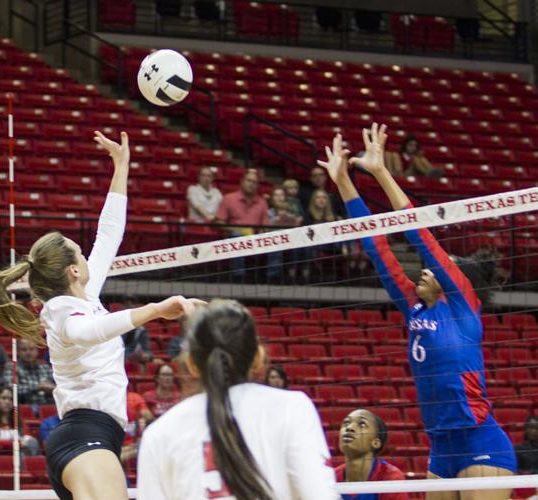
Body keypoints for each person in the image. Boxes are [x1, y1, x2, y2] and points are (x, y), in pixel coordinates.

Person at [0, 130, 203, 500]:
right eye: (80, 253)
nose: (87, 257)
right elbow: (89, 332)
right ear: (72, 270)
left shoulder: (83, 295)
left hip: (92, 439)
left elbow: (110, 233)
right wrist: (156, 310)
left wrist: (122, 167)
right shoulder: (61, 310)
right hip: (86, 436)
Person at [321, 123, 516, 500]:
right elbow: (377, 248)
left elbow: (420, 234)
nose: (425, 270)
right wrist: (344, 182)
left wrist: (380, 172)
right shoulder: (413, 307)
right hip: (440, 447)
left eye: (436, 268)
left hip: (480, 438)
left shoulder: (462, 305)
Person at [137, 300, 339, 500]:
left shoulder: (158, 434)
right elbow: (319, 494)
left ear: (191, 364)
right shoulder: (293, 407)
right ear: (258, 357)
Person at [336, 409, 408, 500]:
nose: (349, 427)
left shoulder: (390, 478)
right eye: (346, 423)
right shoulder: (331, 478)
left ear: (376, 443)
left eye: (362, 424)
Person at [0, 387, 40, 456]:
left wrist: (6, 444)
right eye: (3, 398)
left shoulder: (19, 421)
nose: (7, 402)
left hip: (19, 458)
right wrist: (18, 444)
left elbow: (30, 442)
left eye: (11, 399)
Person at [6, 338, 56, 406]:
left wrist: (53, 388)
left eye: (31, 349)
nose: (28, 353)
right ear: (17, 352)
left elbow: (57, 386)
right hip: (24, 406)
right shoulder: (11, 367)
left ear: (37, 351)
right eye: (24, 349)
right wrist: (38, 387)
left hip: (48, 405)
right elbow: (11, 390)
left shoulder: (45, 367)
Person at [121, 295, 156, 365]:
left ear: (136, 307)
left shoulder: (142, 331)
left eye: (132, 303)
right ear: (122, 307)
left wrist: (143, 356)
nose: (129, 306)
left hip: (134, 363)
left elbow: (147, 352)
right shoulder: (116, 327)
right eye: (126, 304)